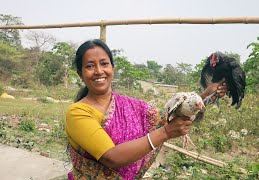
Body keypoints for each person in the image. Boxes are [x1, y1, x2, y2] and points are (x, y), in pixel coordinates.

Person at [65, 39, 228, 179]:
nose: (99, 71)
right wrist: (165, 132)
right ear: (80, 74)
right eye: (90, 66)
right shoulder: (78, 113)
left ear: (112, 68)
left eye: (104, 63)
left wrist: (206, 95)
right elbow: (112, 157)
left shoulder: (133, 106)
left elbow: (170, 116)